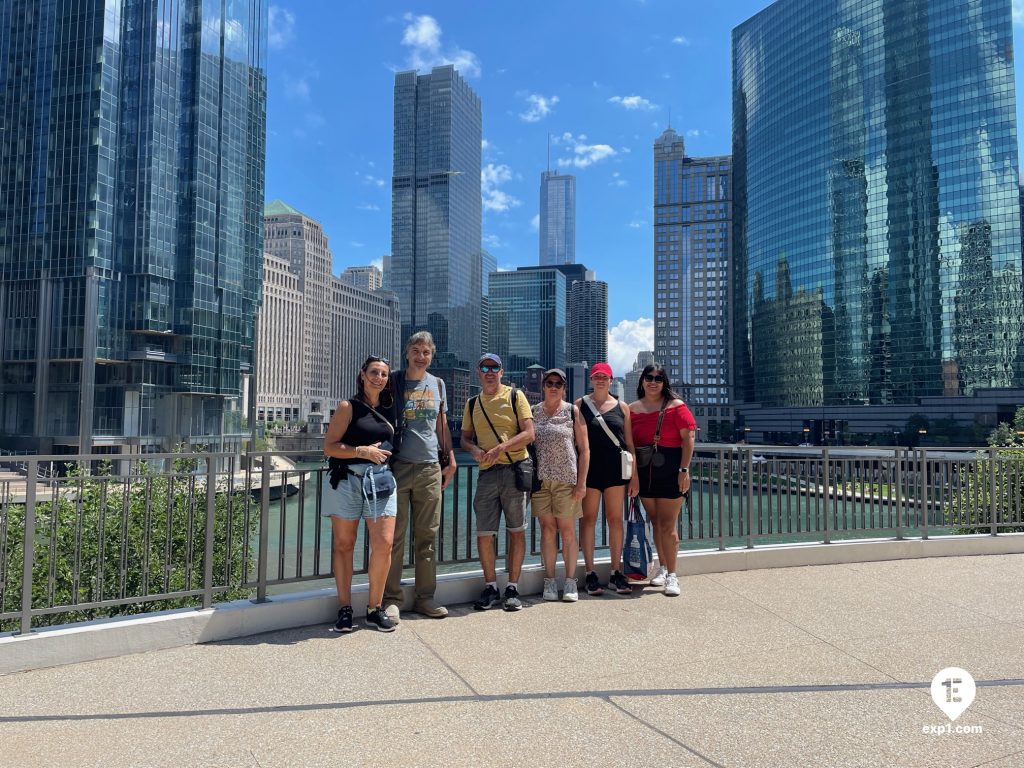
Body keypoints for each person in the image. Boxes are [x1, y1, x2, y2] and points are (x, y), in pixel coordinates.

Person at [383, 331, 457, 622]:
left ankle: (425, 598)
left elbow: (441, 427)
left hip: (429, 468)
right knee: (394, 537)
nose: (421, 356)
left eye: (426, 351)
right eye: (416, 350)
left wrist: (449, 459)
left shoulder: (438, 384)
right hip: (398, 466)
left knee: (427, 537)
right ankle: (391, 599)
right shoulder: (395, 380)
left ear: (431, 355)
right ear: (407, 352)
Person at [323, 356, 399, 632]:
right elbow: (329, 446)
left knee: (384, 544)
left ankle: (374, 609)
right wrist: (360, 451)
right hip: (347, 481)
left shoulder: (392, 408)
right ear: (362, 374)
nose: (378, 377)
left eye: (383, 374)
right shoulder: (348, 407)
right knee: (345, 545)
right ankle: (344, 608)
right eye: (374, 372)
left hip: (380, 482)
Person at [460, 353, 535, 611]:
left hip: (514, 470)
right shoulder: (472, 403)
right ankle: (490, 586)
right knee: (484, 533)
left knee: (516, 530)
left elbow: (529, 433)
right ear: (478, 373)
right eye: (484, 367)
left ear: (502, 372)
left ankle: (512, 588)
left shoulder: (516, 397)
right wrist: (474, 451)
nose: (490, 372)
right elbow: (464, 439)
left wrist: (501, 447)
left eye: (495, 368)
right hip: (487, 473)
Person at [628, 363, 696, 597]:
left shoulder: (676, 407)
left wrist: (684, 470)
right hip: (646, 471)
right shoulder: (632, 409)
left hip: (671, 468)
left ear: (664, 382)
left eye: (658, 378)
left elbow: (689, 440)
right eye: (649, 377)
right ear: (642, 381)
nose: (653, 381)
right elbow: (630, 444)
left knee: (668, 524)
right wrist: (633, 475)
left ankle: (673, 575)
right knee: (655, 522)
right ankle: (663, 567)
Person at [575, 362, 639, 596]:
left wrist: (635, 478)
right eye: (596, 376)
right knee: (589, 520)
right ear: (591, 380)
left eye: (605, 377)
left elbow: (629, 443)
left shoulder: (622, 407)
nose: (600, 380)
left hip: (615, 471)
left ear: (611, 380)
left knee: (615, 520)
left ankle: (615, 571)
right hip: (590, 472)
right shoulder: (580, 405)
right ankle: (590, 572)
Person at [531, 368, 590, 602]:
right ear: (543, 386)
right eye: (549, 382)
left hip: (567, 480)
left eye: (558, 383)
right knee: (547, 530)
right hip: (541, 481)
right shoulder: (534, 412)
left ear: (564, 387)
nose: (553, 386)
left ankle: (570, 581)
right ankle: (549, 581)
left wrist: (582, 483)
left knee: (567, 531)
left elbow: (585, 450)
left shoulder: (572, 412)